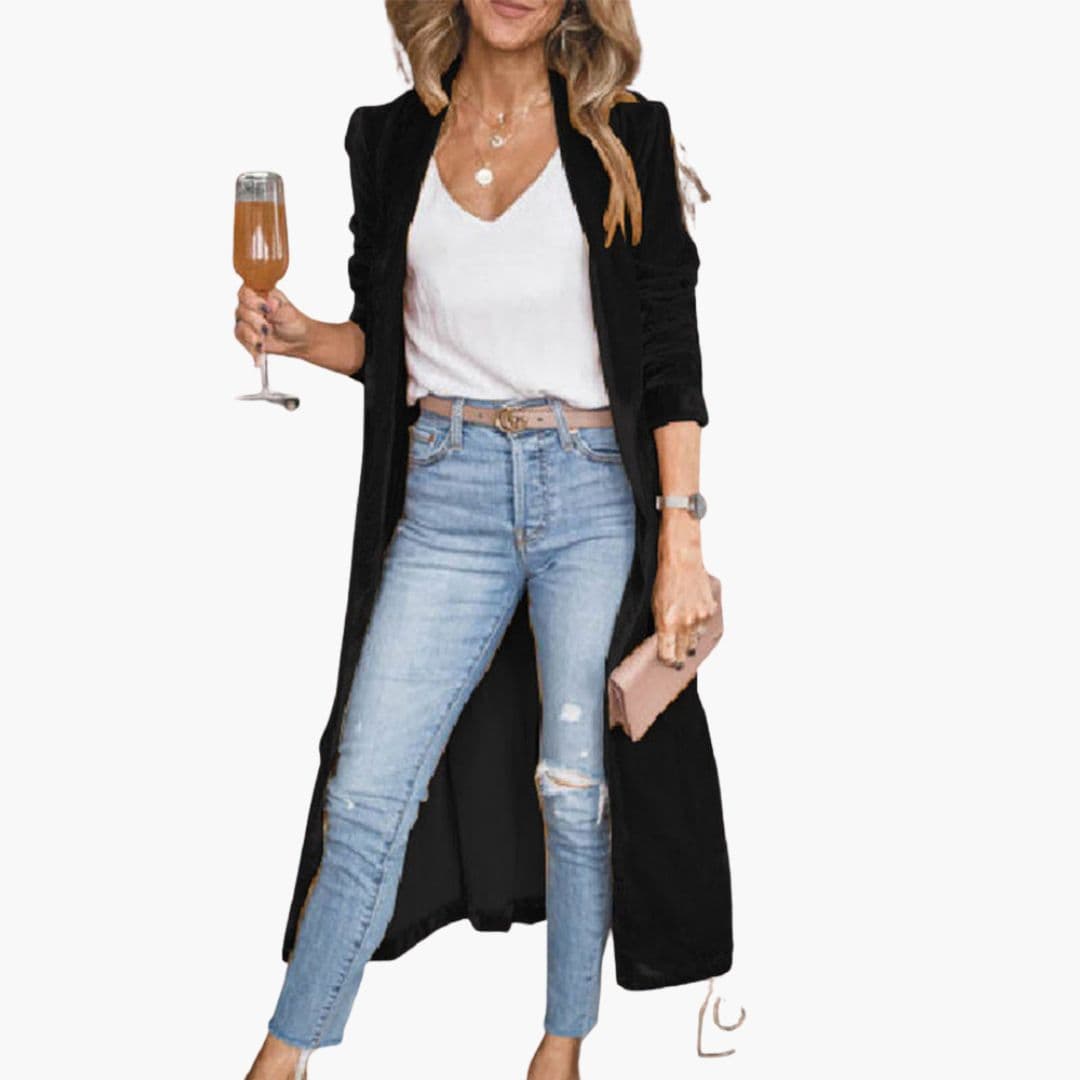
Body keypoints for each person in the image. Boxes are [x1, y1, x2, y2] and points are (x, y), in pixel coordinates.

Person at [235, 2, 730, 1078]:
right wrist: (305, 338)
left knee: (574, 783)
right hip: (448, 490)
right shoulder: (388, 137)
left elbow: (668, 355)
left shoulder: (624, 132)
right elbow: (388, 338)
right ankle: (282, 1056)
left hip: (590, 492)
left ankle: (561, 1047)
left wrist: (681, 538)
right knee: (364, 791)